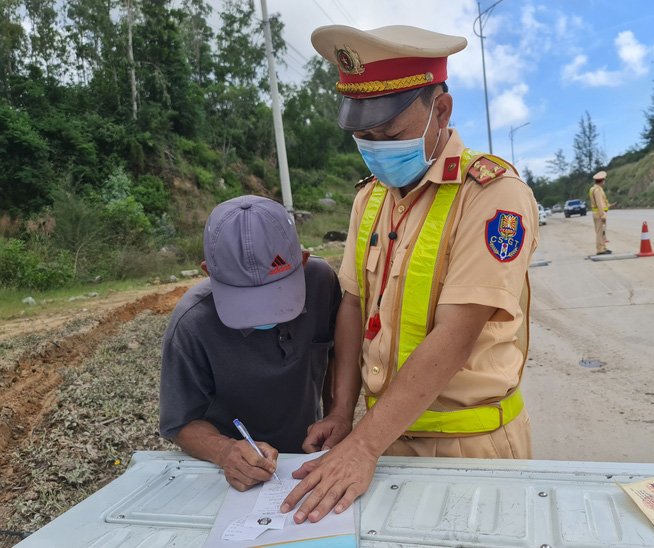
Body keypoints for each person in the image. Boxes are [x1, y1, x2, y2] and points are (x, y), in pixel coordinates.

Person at [280, 24, 538, 524]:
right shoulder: (369, 198)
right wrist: (340, 412)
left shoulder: (491, 196)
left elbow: (457, 335)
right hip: (384, 440)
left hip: (469, 447)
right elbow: (353, 306)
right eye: (364, 138)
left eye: (391, 135)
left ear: (440, 110)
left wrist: (362, 445)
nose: (377, 150)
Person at [159, 195, 347, 492]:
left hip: (310, 458)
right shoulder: (192, 324)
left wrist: (337, 415)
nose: (265, 313)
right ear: (209, 273)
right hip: (232, 476)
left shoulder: (322, 284)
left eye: (277, 296)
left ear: (303, 261)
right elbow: (180, 423)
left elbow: (337, 356)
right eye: (247, 301)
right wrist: (225, 452)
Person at [589, 171, 613, 255]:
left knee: (602, 232)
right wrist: (602, 215)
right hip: (599, 213)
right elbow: (599, 203)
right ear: (602, 180)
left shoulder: (593, 189)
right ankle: (600, 249)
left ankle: (603, 247)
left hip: (597, 213)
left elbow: (601, 202)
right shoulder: (598, 190)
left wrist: (608, 205)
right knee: (600, 232)